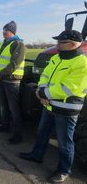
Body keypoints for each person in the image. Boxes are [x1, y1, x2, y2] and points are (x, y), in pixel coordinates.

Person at [19, 30, 87, 183]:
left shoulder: (82, 63)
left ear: (72, 44)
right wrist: (40, 91)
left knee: (65, 142)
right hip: (49, 105)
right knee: (42, 133)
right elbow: (45, 75)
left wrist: (44, 94)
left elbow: (70, 88)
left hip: (66, 109)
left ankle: (64, 170)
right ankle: (36, 156)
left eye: (61, 42)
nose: (57, 45)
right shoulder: (56, 58)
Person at [0, 21, 26, 144]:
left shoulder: (19, 44)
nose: (3, 32)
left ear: (12, 32)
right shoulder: (2, 44)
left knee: (14, 109)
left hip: (12, 81)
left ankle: (18, 135)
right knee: (4, 106)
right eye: (3, 30)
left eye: (6, 30)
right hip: (2, 79)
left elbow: (14, 63)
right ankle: (5, 126)